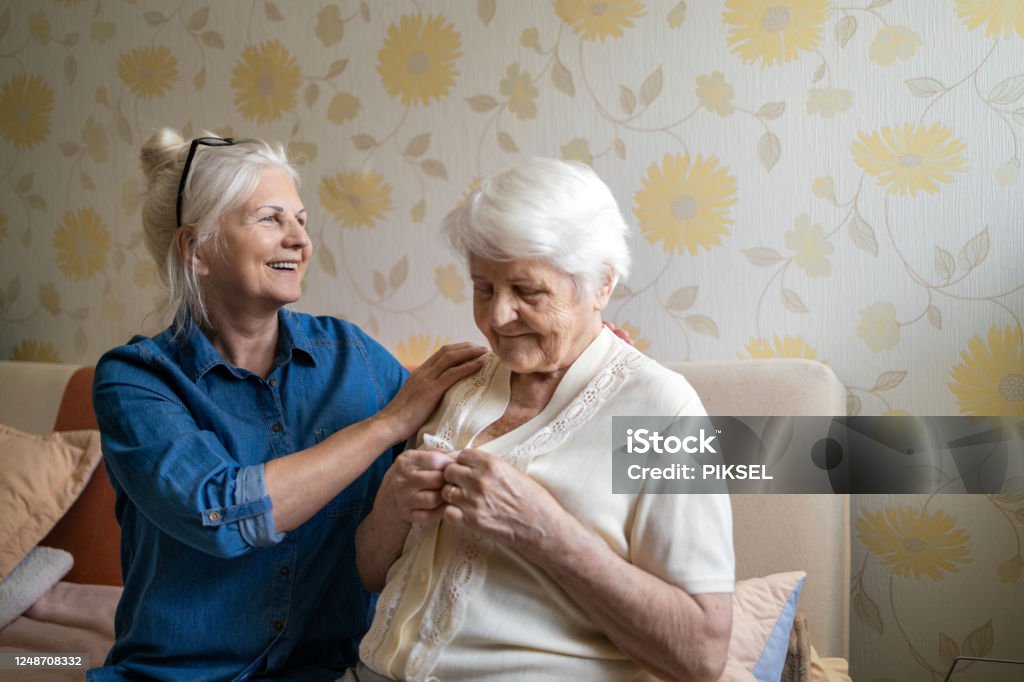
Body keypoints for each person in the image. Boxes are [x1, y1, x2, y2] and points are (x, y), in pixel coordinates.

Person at [89, 129, 484, 681]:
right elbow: (221, 514)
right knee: (38, 658)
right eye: (270, 219)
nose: (300, 240)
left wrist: (580, 362)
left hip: (331, 673)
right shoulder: (135, 381)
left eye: (301, 220)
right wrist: (383, 426)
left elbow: (473, 418)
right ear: (195, 249)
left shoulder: (352, 357)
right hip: (174, 676)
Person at [353, 158, 735, 681]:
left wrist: (544, 532)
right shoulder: (455, 382)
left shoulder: (665, 410)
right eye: (483, 288)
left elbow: (702, 654)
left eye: (527, 292)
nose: (496, 317)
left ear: (600, 284)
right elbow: (371, 573)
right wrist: (393, 503)